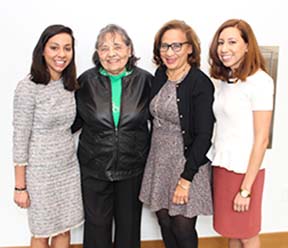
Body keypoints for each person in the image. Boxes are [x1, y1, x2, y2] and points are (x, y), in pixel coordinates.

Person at [71, 24, 153, 248]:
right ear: (97, 53)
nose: (111, 53)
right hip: (94, 167)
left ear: (129, 50)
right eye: (104, 48)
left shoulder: (145, 81)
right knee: (96, 228)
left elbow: (159, 122)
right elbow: (71, 121)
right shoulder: (85, 81)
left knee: (128, 229)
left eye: (117, 46)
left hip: (132, 167)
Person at [139, 20, 215, 248]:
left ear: (190, 48)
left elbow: (204, 135)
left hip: (186, 164)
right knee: (164, 221)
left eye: (176, 46)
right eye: (164, 46)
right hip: (160, 162)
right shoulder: (160, 75)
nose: (169, 52)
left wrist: (186, 179)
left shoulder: (200, 83)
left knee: (182, 227)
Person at [13, 25, 84, 248]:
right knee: (42, 232)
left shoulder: (70, 85)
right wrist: (20, 187)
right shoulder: (28, 87)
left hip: (67, 168)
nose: (61, 54)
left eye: (67, 48)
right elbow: (20, 137)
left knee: (64, 228)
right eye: (54, 48)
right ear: (42, 50)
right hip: (40, 174)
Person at [207, 19, 274, 248]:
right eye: (221, 42)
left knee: (247, 232)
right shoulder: (226, 81)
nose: (224, 48)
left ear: (247, 45)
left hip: (246, 172)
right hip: (223, 166)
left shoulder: (261, 82)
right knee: (231, 231)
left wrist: (246, 189)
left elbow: (262, 139)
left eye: (232, 42)